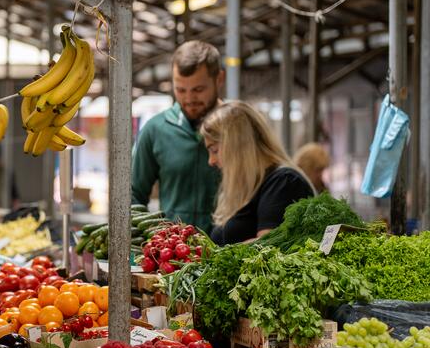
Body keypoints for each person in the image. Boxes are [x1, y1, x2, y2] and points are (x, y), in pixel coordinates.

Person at [131, 40, 223, 233]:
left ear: (219, 79)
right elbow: (133, 195)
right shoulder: (155, 130)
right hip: (172, 254)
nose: (189, 99)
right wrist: (151, 238)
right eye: (180, 90)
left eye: (198, 89)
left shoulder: (238, 128)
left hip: (229, 253)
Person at [200, 101, 315, 245]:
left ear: (236, 145)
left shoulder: (284, 182)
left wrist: (213, 257)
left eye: (214, 150)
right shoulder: (249, 187)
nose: (211, 161)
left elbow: (267, 249)